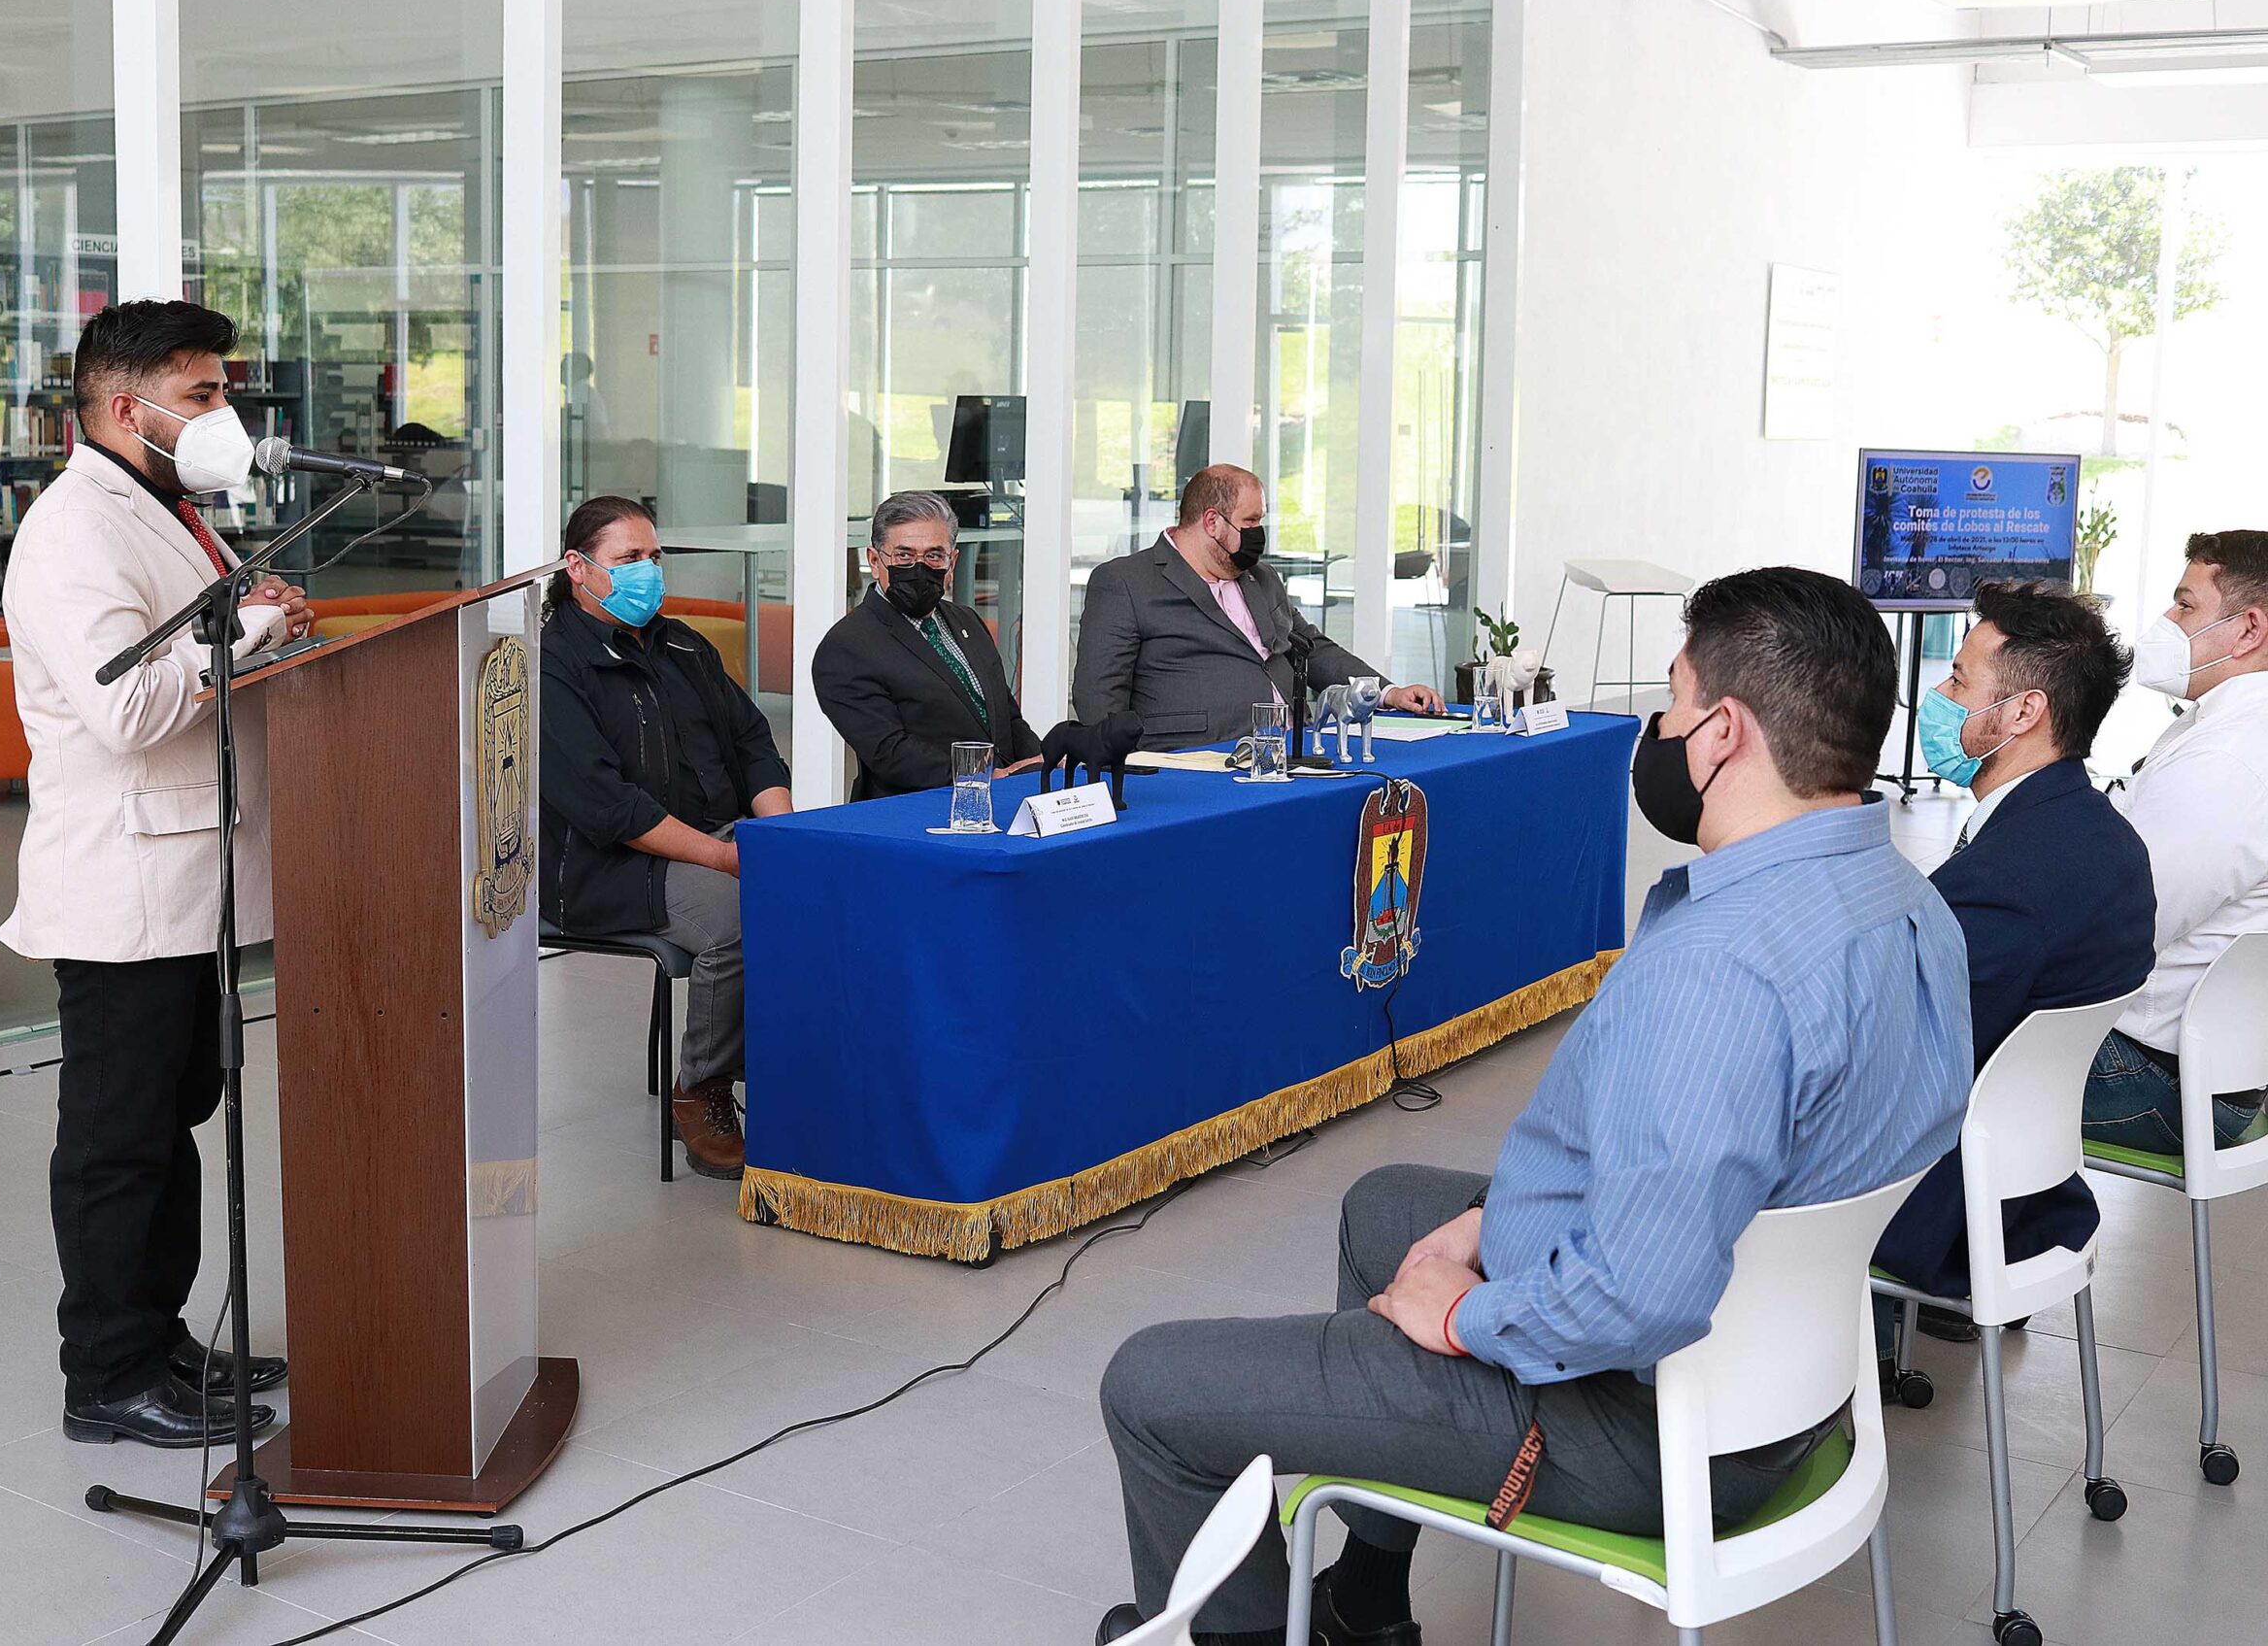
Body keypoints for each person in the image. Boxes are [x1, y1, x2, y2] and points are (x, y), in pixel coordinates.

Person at [1092, 567, 1971, 1646]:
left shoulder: (1719, 969)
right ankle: (1366, 1602)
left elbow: (1637, 1297)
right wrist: (1488, 1221)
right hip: (1793, 1378)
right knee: (1388, 1205)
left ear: (1724, 733)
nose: (1659, 730)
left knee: (1152, 1384)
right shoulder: (1910, 899)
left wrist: (1461, 1315)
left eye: (1674, 700)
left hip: (1649, 1423)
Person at [0, 298, 312, 1448]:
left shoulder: (168, 509)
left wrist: (268, 619)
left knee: (173, 1117)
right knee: (119, 1136)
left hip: (191, 875)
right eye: (204, 394)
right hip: (123, 883)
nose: (227, 411)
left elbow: (200, 650)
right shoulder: (72, 529)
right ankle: (107, 1372)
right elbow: (127, 706)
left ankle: (161, 1337)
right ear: (131, 409)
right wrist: (253, 631)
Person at [1872, 581, 2153, 1344]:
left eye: (1959, 680)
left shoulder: (2009, 880)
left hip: (1947, 1204)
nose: (1939, 698)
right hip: (2034, 1183)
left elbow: (1897, 1049)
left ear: (2024, 711)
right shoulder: (2106, 838)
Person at [539, 494, 791, 1180]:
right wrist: (725, 858)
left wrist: (779, 837)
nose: (648, 571)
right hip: (604, 869)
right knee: (737, 921)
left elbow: (753, 742)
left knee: (816, 893)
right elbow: (608, 808)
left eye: (654, 556)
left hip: (713, 837)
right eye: (629, 558)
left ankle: (791, 1075)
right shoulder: (551, 663)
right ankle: (701, 1088)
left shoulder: (683, 645)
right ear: (578, 568)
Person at [2085, 530, 2268, 1156]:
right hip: (2210, 1068)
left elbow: (2120, 927)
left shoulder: (2229, 760)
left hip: (2158, 1078)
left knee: (1914, 1058)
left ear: (2248, 630)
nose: (2167, 619)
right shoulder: (2226, 728)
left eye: (2186, 604)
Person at [1072, 463, 1443, 750]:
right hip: (1194, 758)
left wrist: (1386, 692)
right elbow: (1099, 696)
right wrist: (1119, 770)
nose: (1258, 533)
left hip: (1293, 750)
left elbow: (1312, 648)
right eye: (1250, 521)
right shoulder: (1126, 581)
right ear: (1212, 521)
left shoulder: (1261, 577)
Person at [813, 489, 1042, 800]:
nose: (919, 568)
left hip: (1003, 798)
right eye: (904, 556)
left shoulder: (967, 620)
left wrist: (1038, 763)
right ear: (874, 560)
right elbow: (889, 751)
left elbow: (1005, 716)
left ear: (952, 562)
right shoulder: (846, 646)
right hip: (916, 811)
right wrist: (980, 776)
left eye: (934, 556)